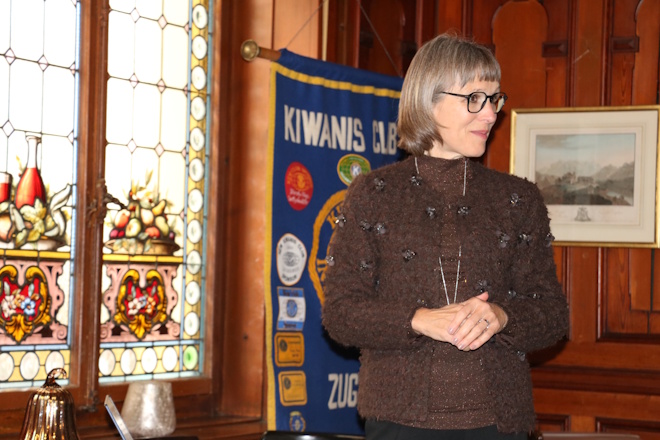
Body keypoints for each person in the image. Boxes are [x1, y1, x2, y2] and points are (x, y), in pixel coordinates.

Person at [321, 33, 569, 440]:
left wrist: (502, 316)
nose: (490, 114)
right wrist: (417, 320)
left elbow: (553, 315)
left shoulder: (518, 199)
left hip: (498, 423)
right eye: (474, 99)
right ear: (427, 100)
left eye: (494, 99)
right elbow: (341, 314)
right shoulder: (373, 194)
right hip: (398, 422)